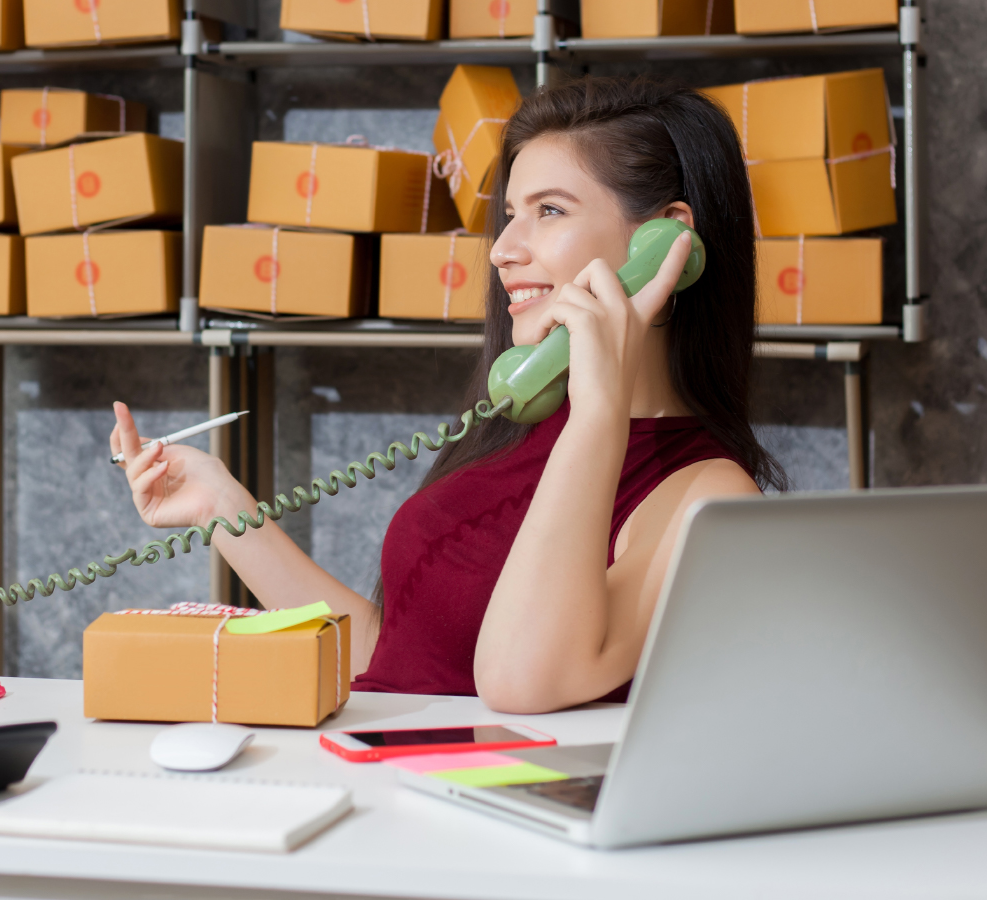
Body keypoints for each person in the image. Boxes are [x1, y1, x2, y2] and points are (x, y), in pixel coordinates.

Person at [110, 76, 786, 715]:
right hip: (379, 789)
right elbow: (396, 656)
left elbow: (520, 679)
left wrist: (600, 411)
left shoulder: (707, 496)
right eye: (511, 214)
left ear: (668, 242)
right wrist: (224, 508)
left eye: (549, 211)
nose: (503, 249)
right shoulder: (520, 429)